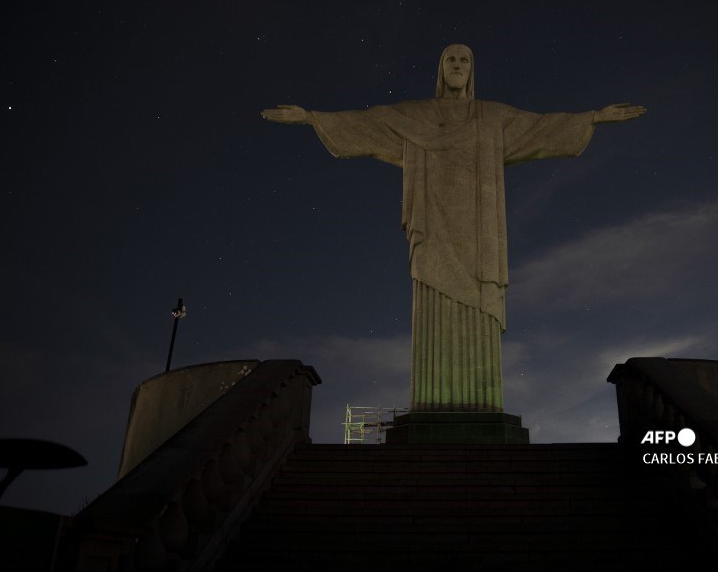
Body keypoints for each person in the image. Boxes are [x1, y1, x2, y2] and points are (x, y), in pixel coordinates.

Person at [262, 44, 645, 413]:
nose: (458, 65)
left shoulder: (493, 117)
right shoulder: (416, 115)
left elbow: (540, 128)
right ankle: (432, 404)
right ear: (441, 70)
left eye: (465, 59)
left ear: (472, 70)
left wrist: (593, 117)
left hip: (480, 234)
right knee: (431, 296)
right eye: (451, 59)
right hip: (431, 225)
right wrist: (312, 117)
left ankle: (479, 405)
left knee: (479, 302)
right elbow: (369, 122)